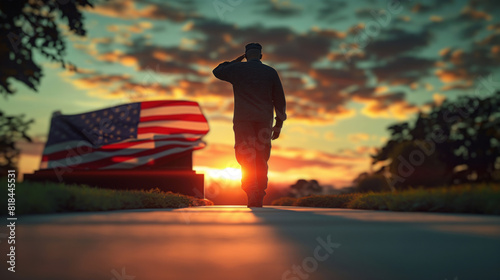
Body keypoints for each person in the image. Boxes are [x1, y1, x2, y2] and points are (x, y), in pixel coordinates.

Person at [213, 43, 287, 208]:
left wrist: (237, 60)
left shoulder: (237, 70)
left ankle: (251, 190)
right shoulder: (270, 72)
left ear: (246, 55)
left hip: (243, 119)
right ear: (261, 56)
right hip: (264, 120)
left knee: (246, 155)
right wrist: (279, 123)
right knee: (261, 157)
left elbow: (217, 71)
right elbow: (279, 99)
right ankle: (259, 192)